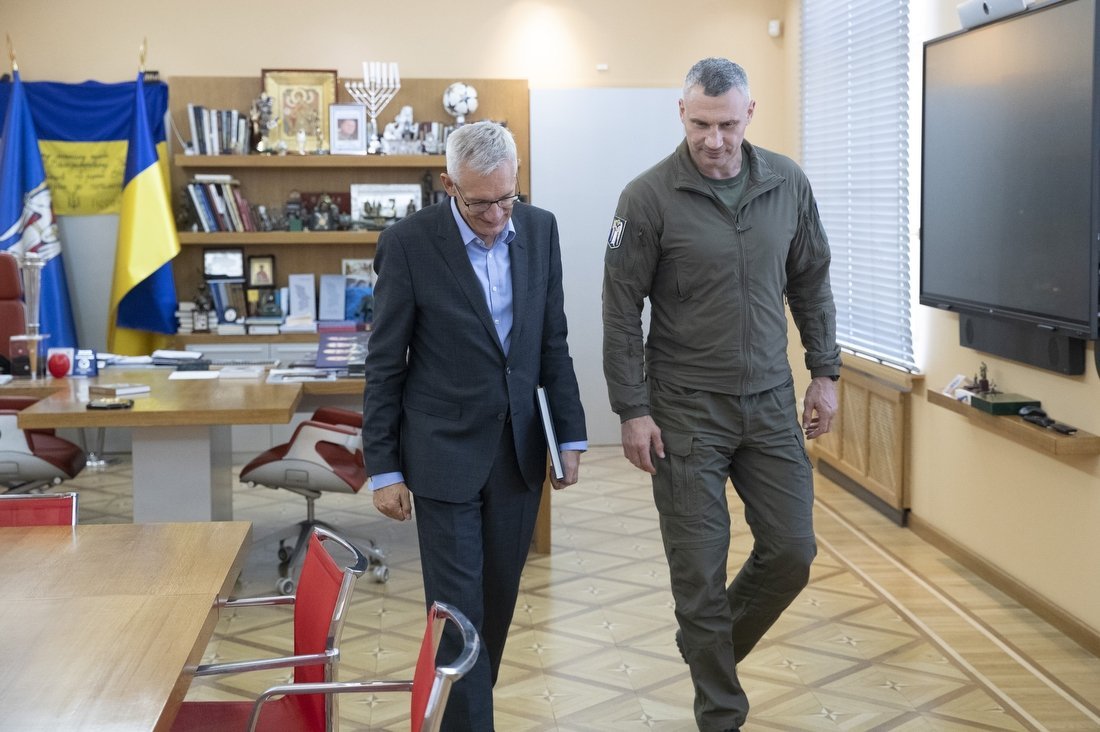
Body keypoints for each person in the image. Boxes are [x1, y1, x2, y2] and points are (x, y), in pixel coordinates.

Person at [602, 57, 840, 731]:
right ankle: (721, 713)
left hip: (769, 403)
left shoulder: (787, 183)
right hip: (684, 412)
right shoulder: (646, 198)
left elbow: (812, 281)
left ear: (749, 115)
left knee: (792, 552)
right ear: (682, 114)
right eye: (701, 124)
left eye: (728, 125)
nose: (715, 140)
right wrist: (633, 409)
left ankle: (706, 648)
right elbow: (620, 311)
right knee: (700, 574)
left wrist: (825, 372)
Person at [363, 120, 587, 731]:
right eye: (480, 203)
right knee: (459, 615)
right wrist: (383, 468)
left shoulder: (540, 230)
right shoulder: (408, 244)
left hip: (518, 452)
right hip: (441, 455)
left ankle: (460, 715)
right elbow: (385, 363)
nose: (495, 216)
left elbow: (552, 341)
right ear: (449, 185)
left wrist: (568, 434)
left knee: (495, 607)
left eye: (506, 199)